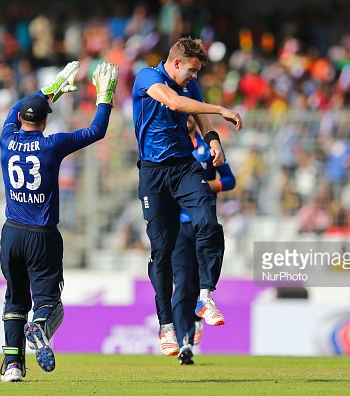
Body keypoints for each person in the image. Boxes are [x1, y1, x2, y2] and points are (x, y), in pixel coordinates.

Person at [0, 60, 118, 382]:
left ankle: (13, 365)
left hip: (11, 234)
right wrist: (104, 96)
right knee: (50, 303)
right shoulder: (51, 145)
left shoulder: (6, 139)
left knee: (14, 299)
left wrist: (48, 90)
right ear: (44, 121)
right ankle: (39, 329)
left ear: (22, 118)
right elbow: (96, 131)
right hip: (42, 235)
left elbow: (15, 109)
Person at [132, 37, 243, 356]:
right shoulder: (147, 77)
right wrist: (222, 108)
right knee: (162, 250)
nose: (194, 77)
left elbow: (203, 123)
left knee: (209, 222)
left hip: (183, 166)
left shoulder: (189, 85)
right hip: (153, 173)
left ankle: (205, 296)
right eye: (191, 70)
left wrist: (214, 142)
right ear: (176, 63)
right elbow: (176, 104)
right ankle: (166, 325)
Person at [172, 116, 236, 364]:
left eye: (190, 113)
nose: (186, 118)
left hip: (202, 222)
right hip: (178, 227)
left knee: (200, 282)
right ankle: (184, 343)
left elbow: (230, 179)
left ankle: (198, 318)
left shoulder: (209, 148)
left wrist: (203, 187)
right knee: (183, 284)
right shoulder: (170, 146)